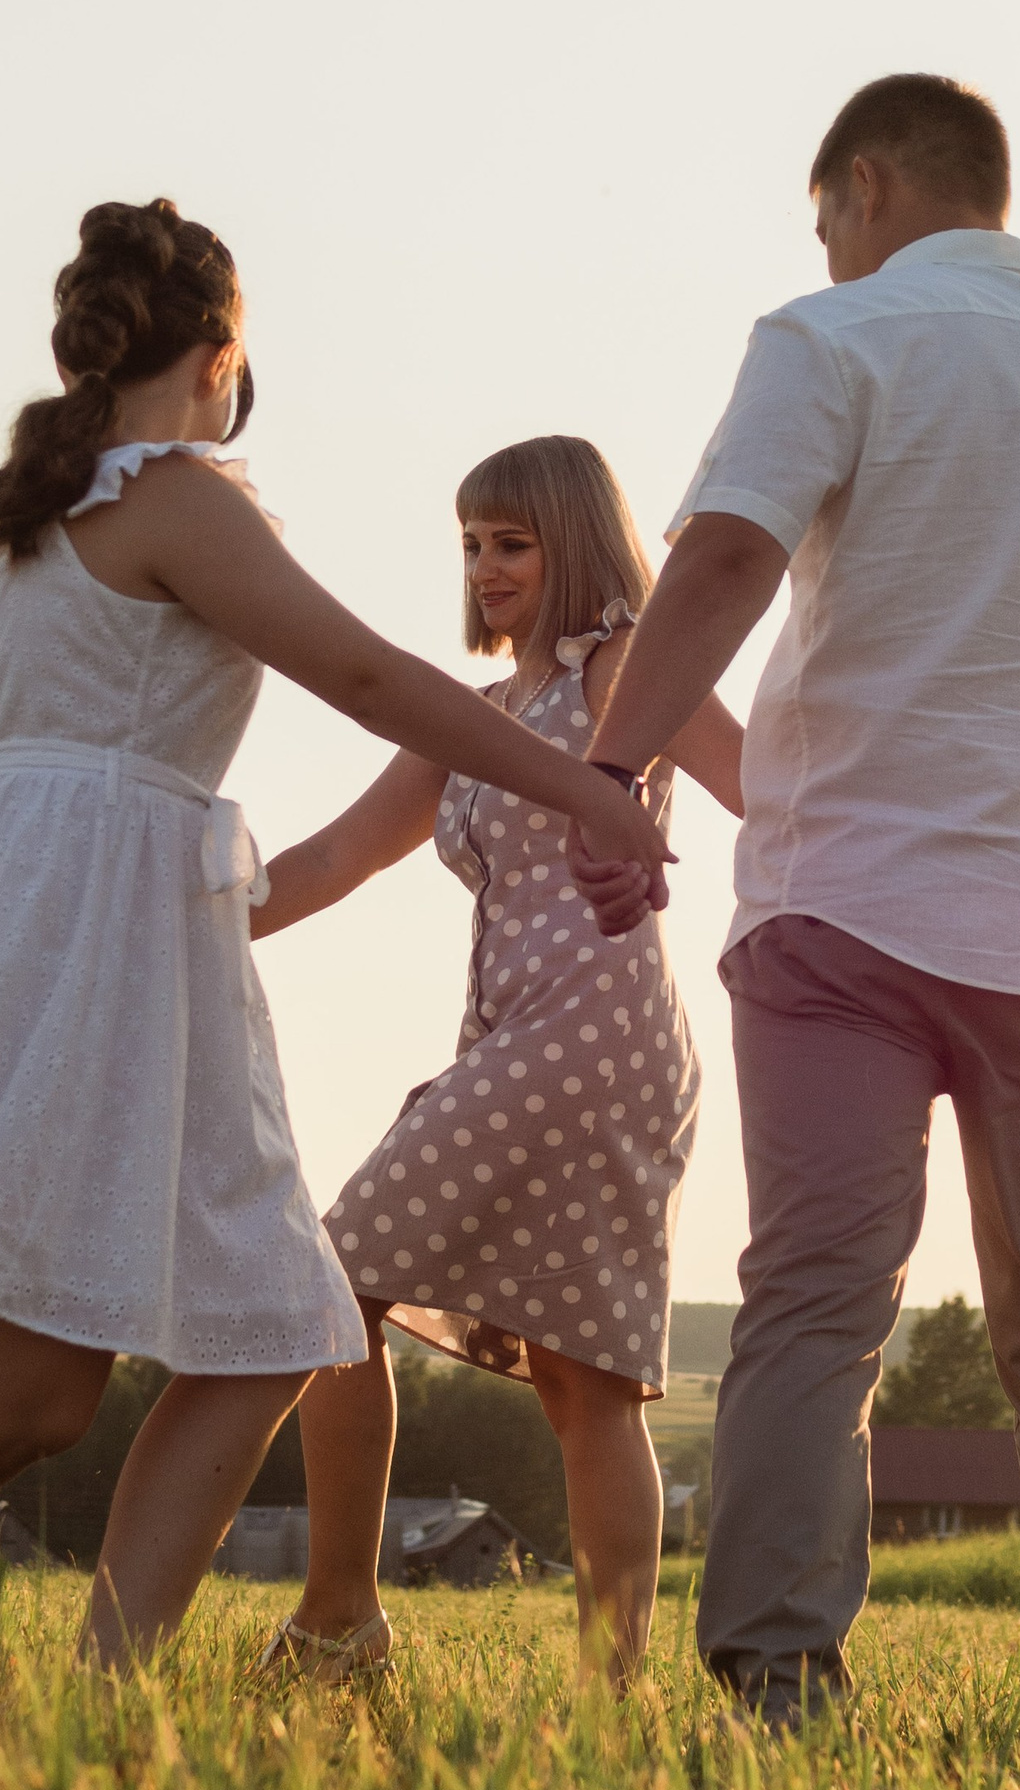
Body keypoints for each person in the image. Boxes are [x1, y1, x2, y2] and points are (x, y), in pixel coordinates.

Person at [0, 201, 673, 1680]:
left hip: (58, 924)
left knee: (148, 1358)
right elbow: (365, 672)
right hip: (114, 942)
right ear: (219, 354)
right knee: (115, 1367)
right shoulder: (183, 495)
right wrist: (582, 786)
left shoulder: (25, 535)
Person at [571, 75, 1020, 1747]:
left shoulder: (832, 335)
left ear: (867, 181)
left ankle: (777, 1674)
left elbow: (714, 561)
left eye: (827, 212)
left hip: (849, 896)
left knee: (820, 1300)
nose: (828, 246)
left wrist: (611, 765)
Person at [248, 436, 742, 1683]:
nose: (484, 566)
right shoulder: (476, 717)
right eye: (470, 543)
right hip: (515, 1035)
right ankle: (570, 1679)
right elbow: (335, 858)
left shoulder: (624, 663)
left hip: (596, 1034)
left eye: (511, 542)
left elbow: (761, 778)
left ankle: (347, 1622)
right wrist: (177, 906)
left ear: (573, 543)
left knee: (348, 1284)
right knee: (577, 1383)